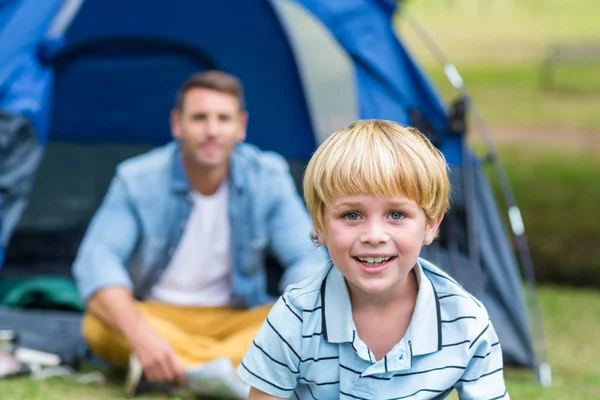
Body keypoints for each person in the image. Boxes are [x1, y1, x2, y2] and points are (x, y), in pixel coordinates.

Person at [72, 70, 328, 394]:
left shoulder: (268, 176)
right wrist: (142, 335)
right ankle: (232, 372)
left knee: (299, 322)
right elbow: (96, 261)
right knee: (97, 326)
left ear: (241, 127)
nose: (212, 131)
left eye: (223, 118)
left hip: (235, 318)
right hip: (159, 316)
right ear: (177, 124)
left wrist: (291, 319)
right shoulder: (136, 178)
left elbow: (308, 257)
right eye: (199, 118)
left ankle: (181, 369)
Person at [238, 120, 509, 399]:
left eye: (396, 215)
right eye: (352, 215)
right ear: (320, 224)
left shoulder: (465, 320)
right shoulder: (296, 314)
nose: (374, 235)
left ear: (430, 225)